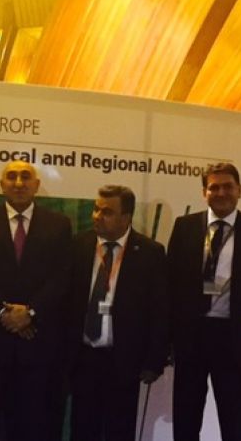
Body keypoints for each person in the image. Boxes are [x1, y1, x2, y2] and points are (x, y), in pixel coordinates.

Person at [0, 160, 72, 441]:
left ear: (36, 185)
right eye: (12, 176)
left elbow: (61, 277)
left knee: (32, 428)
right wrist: (5, 312)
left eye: (25, 177)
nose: (19, 183)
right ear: (2, 185)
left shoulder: (59, 225)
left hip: (37, 348)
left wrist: (30, 313)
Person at [167, 162, 241, 441]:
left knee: (234, 423)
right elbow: (171, 287)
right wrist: (167, 341)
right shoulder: (184, 227)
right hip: (190, 338)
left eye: (228, 186)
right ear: (204, 192)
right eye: (214, 187)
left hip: (234, 339)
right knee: (185, 420)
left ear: (239, 190)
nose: (221, 193)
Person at [67, 185, 168, 441]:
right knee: (82, 430)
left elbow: (159, 311)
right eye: (96, 209)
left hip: (123, 360)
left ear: (126, 217)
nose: (97, 216)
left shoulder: (150, 252)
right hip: (83, 358)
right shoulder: (78, 245)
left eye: (107, 212)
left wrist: (154, 360)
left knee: (119, 431)